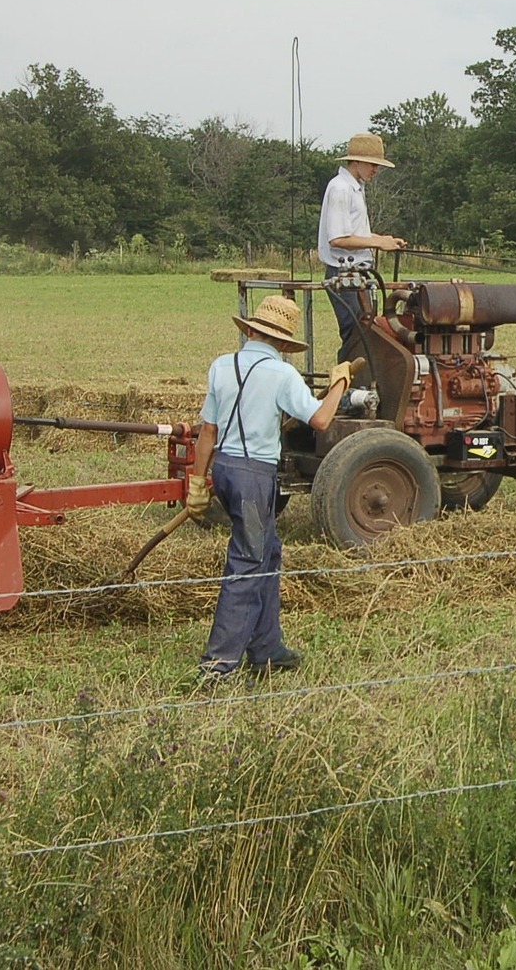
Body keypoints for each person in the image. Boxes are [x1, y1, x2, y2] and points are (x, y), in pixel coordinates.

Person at [186, 293, 354, 679]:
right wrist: (339, 383)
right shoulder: (282, 375)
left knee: (267, 552)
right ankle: (219, 664)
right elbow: (322, 420)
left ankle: (267, 647)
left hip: (225, 472)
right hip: (253, 479)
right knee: (247, 562)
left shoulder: (221, 366)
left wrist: (197, 482)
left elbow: (207, 431)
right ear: (282, 342)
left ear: (250, 331)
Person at [318, 132, 406, 353]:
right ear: (356, 161)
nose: (376, 170)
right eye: (372, 164)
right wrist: (377, 244)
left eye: (378, 166)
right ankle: (347, 382)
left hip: (357, 273)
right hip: (342, 273)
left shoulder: (355, 188)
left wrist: (384, 240)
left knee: (366, 332)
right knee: (356, 335)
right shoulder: (340, 188)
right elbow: (337, 238)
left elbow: (356, 233)